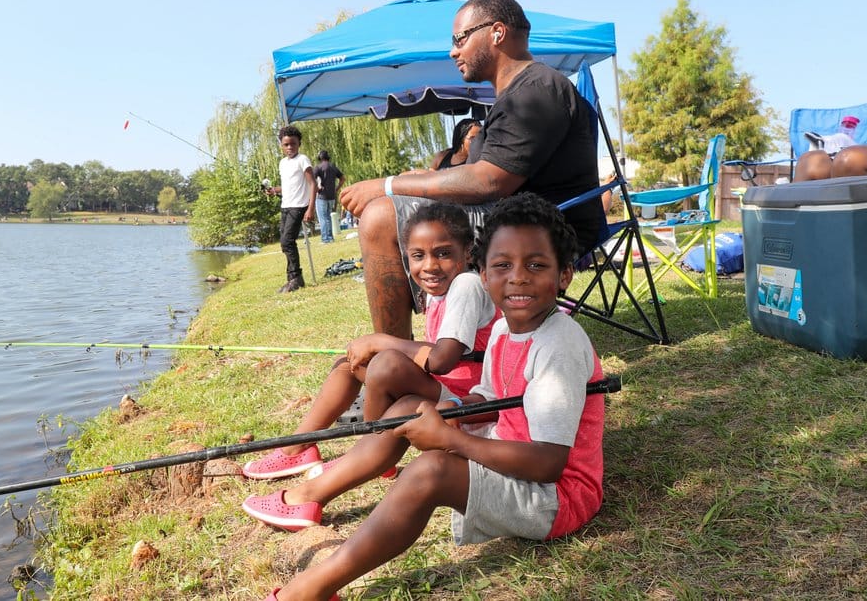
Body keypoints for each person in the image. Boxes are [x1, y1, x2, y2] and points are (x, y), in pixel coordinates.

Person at [252, 192, 605, 601]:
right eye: (502, 266)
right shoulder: (508, 330)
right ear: (484, 275)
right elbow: (488, 400)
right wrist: (452, 410)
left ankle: (311, 589)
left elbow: (549, 463)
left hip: (559, 496)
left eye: (536, 265)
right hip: (513, 453)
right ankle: (310, 497)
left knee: (430, 472)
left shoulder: (558, 343)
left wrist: (451, 439)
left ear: (564, 276)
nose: (518, 277)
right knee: (407, 410)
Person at [339, 0, 601, 341]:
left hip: (542, 227)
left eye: (460, 38)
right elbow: (481, 176)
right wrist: (420, 178)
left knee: (380, 217)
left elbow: (490, 181)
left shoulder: (536, 89)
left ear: (496, 32)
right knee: (398, 206)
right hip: (510, 216)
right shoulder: (517, 93)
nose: (453, 51)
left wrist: (389, 185)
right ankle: (405, 356)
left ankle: (392, 360)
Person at [240, 202, 500, 480]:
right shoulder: (440, 288)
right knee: (350, 364)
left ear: (468, 252)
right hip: (449, 387)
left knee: (386, 363)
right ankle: (298, 447)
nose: (430, 266)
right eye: (418, 255)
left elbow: (442, 360)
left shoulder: (466, 284)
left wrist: (381, 341)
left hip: (470, 399)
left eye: (443, 254)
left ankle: (370, 454)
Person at [266, 125, 317, 293]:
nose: (289, 148)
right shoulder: (282, 163)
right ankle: (291, 279)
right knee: (285, 243)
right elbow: (288, 185)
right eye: (286, 144)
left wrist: (310, 209)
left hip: (299, 206)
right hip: (285, 206)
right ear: (281, 145)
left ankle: (296, 278)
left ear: (299, 143)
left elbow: (312, 184)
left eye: (293, 144)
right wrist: (275, 190)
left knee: (287, 241)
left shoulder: (303, 159)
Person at [313, 150, 344, 243]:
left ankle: (325, 239)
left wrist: (317, 187)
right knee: (328, 217)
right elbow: (343, 178)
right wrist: (336, 189)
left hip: (322, 196)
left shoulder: (318, 167)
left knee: (322, 218)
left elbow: (311, 180)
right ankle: (330, 238)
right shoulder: (333, 167)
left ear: (319, 158)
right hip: (332, 196)